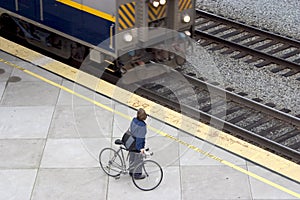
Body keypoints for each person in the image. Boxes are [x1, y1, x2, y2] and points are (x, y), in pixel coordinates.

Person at [128, 108, 147, 179]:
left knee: (132, 157)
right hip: (137, 144)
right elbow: (140, 138)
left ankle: (131, 171)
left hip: (131, 142)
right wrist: (140, 149)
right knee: (138, 159)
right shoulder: (142, 126)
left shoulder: (133, 120)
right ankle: (137, 174)